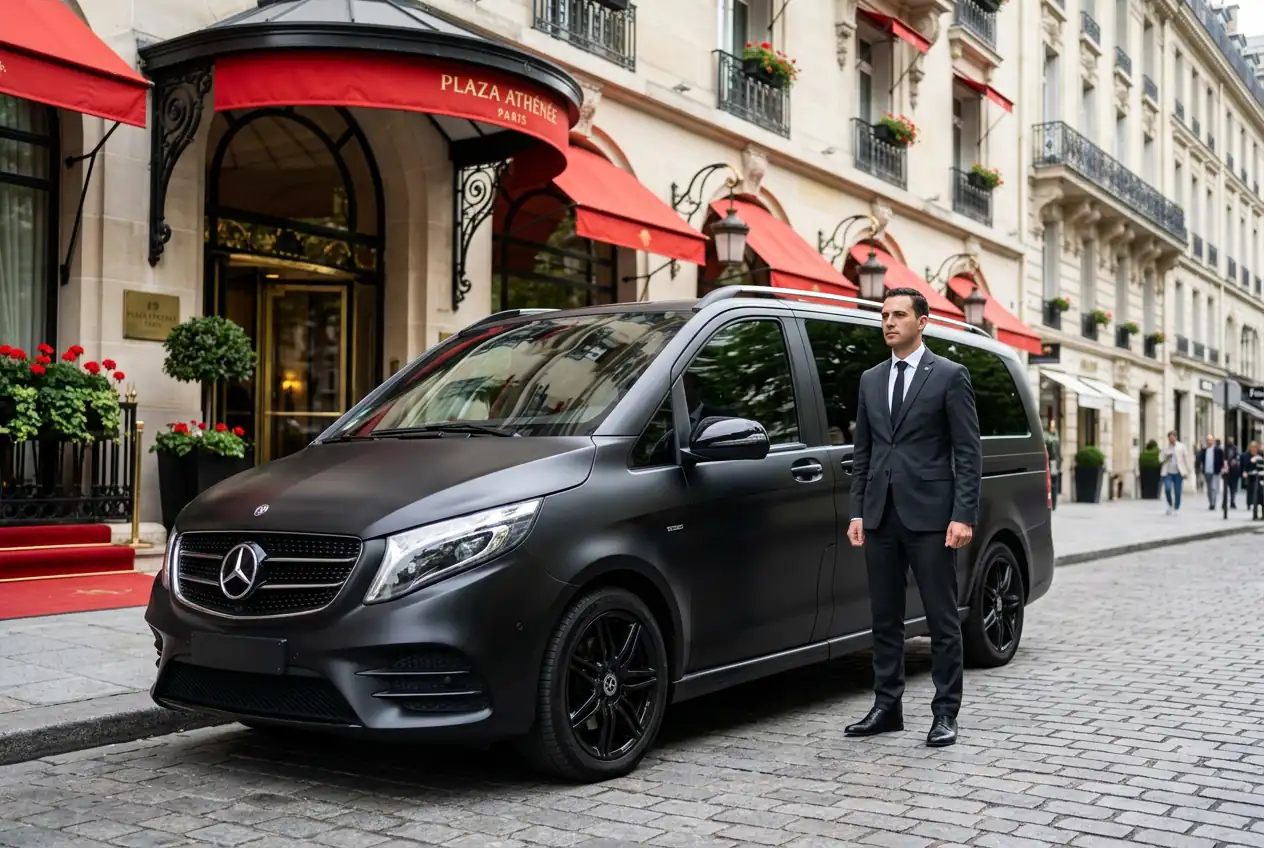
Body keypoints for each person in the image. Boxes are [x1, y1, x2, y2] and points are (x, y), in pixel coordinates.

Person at [844, 287, 982, 748]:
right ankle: (887, 708)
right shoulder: (869, 380)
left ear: (922, 321)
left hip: (931, 517)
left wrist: (963, 514)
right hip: (881, 515)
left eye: (899, 315)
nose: (888, 322)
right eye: (884, 315)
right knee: (884, 618)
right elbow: (863, 452)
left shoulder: (949, 375)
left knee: (942, 618)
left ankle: (945, 712)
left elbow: (967, 451)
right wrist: (857, 510)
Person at [1158, 430, 1193, 514]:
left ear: (1176, 437)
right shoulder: (1165, 448)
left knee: (1177, 492)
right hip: (1167, 473)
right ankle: (1170, 505)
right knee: (1167, 489)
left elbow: (1186, 459)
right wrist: (1166, 457)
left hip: (1178, 473)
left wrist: (1188, 472)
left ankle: (1176, 507)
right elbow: (1160, 459)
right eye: (1170, 438)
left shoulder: (1181, 446)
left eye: (1172, 438)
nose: (1171, 439)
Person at [1195, 435, 1225, 510]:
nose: (1209, 442)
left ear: (1213, 441)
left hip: (1215, 471)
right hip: (1206, 471)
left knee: (1214, 488)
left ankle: (1213, 504)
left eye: (1211, 440)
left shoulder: (1218, 450)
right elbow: (1200, 460)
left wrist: (1222, 470)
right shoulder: (1204, 450)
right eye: (1208, 440)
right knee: (1209, 488)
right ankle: (1210, 502)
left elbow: (1222, 461)